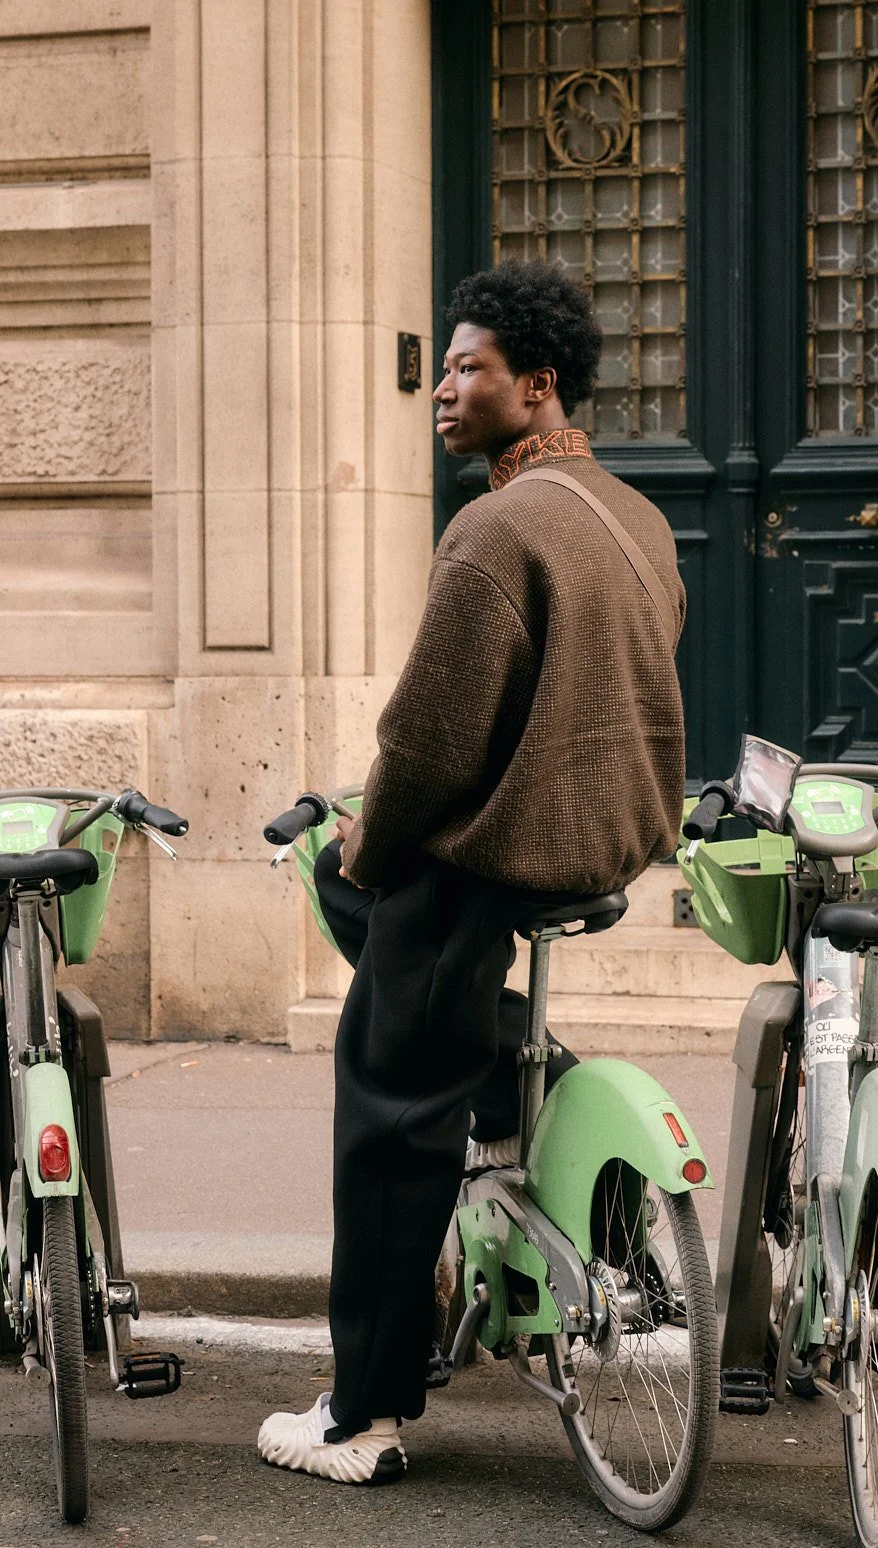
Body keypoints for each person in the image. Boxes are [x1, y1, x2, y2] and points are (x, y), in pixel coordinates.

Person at [258, 258, 687, 1484]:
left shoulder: (493, 527)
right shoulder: (634, 514)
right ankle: (496, 1079)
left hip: (499, 850)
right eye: (443, 367)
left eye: (469, 368)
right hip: (606, 834)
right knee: (421, 990)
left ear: (536, 385)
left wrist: (363, 836)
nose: (443, 387)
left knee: (387, 1110)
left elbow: (427, 739)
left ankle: (365, 1413)